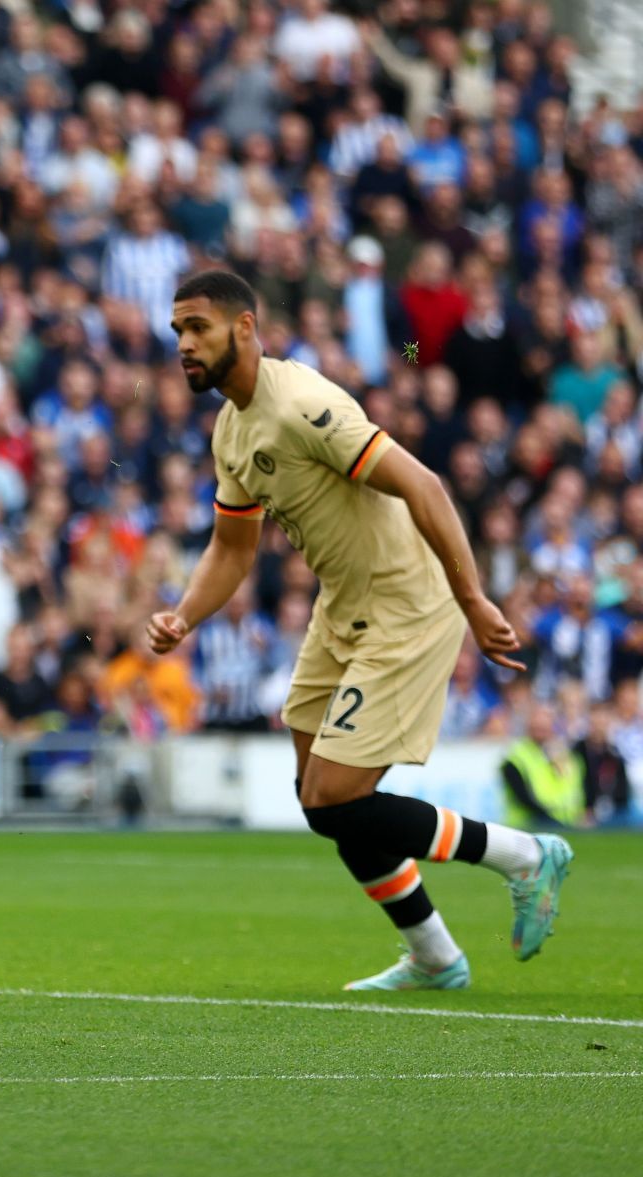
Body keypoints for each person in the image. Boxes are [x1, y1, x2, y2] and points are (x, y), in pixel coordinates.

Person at [148, 271, 571, 991]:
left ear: (245, 328)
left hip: (406, 603)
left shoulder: (301, 404)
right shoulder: (231, 428)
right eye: (178, 331)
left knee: (336, 795)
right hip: (342, 605)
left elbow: (424, 484)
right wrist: (185, 615)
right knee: (323, 804)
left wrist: (473, 598)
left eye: (199, 328)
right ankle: (436, 956)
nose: (185, 344)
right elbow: (231, 547)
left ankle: (525, 855)